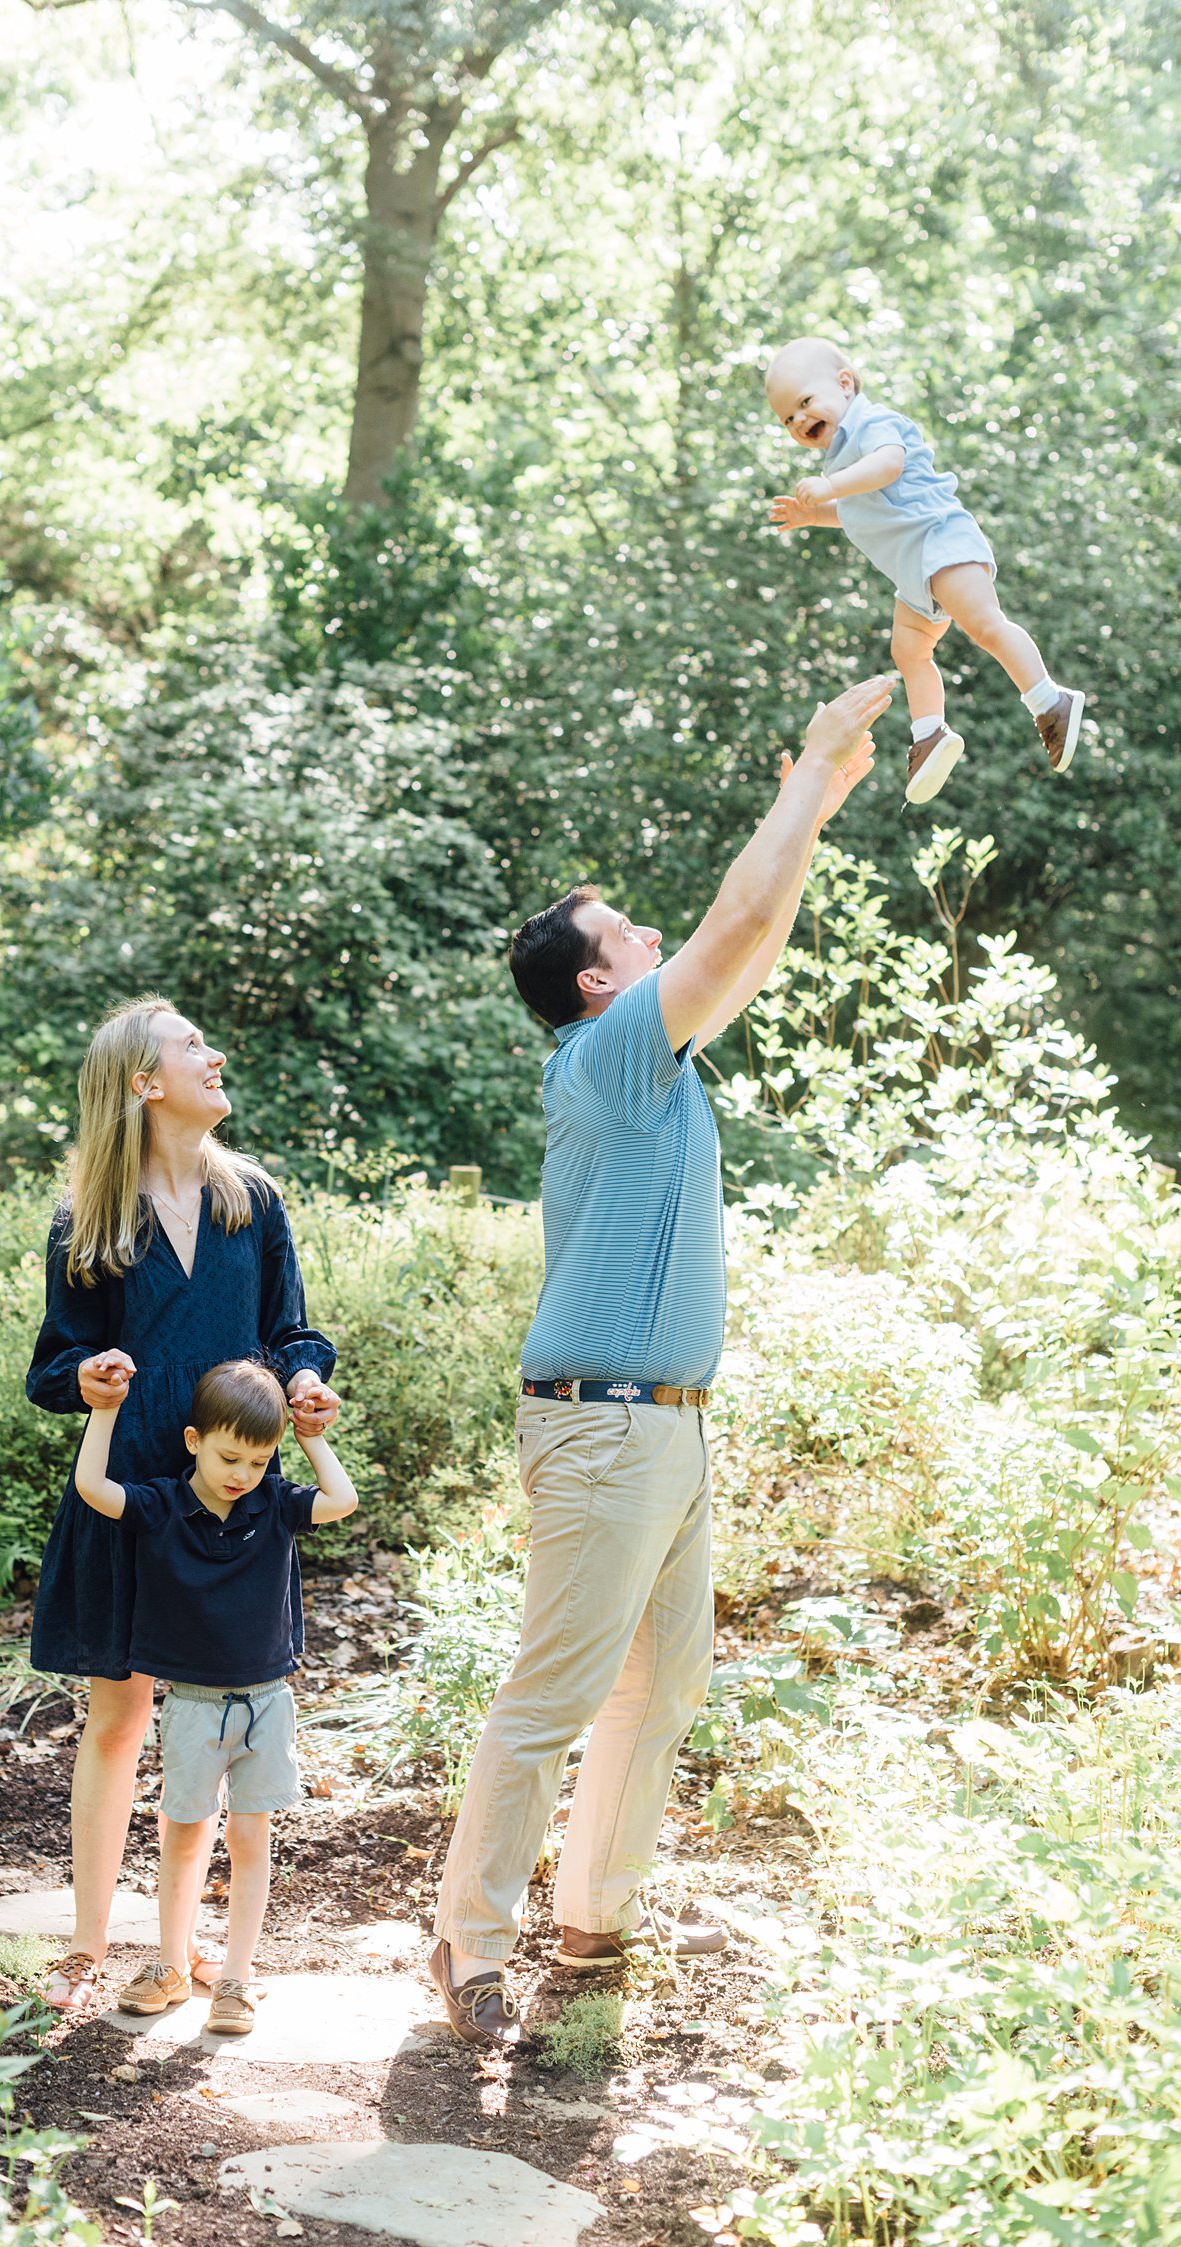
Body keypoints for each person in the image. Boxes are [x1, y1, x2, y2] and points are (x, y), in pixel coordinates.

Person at [428, 673, 893, 2047]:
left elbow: (759, 934)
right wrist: (805, 765)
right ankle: (469, 1938)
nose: (651, 932)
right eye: (629, 930)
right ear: (597, 980)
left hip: (671, 1427)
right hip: (604, 1426)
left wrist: (827, 799)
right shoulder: (607, 1054)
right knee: (553, 1692)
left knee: (662, 1681)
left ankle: (595, 1917)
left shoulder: (657, 1060)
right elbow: (736, 920)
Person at [26, 996, 340, 2013]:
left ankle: (182, 1947)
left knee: (207, 1718)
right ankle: (86, 1945)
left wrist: (302, 1383)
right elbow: (54, 1362)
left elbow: (292, 1329)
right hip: (132, 1497)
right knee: (117, 1718)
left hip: (229, 1508)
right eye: (191, 1045)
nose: (215, 1055)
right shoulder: (87, 1223)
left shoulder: (254, 1198)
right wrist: (92, 1379)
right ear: (142, 1083)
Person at [70, 1355, 358, 2032]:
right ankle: (172, 1963)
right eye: (230, 1457)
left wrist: (310, 1434)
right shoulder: (163, 1504)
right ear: (194, 1441)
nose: (242, 1475)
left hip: (266, 1702)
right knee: (184, 1831)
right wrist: (105, 1409)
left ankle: (235, 1978)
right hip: (195, 1704)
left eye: (259, 1462)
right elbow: (91, 1485)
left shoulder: (275, 1505)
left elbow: (341, 1501)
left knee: (251, 1835)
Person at [765, 335, 1085, 804]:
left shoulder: (874, 424)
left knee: (985, 626)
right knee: (909, 652)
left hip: (941, 541)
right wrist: (816, 514)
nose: (799, 421)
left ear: (845, 384)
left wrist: (831, 485)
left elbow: (889, 466)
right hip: (916, 574)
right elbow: (863, 509)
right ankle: (930, 735)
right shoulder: (842, 462)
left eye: (806, 402)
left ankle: (1049, 701)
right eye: (787, 418)